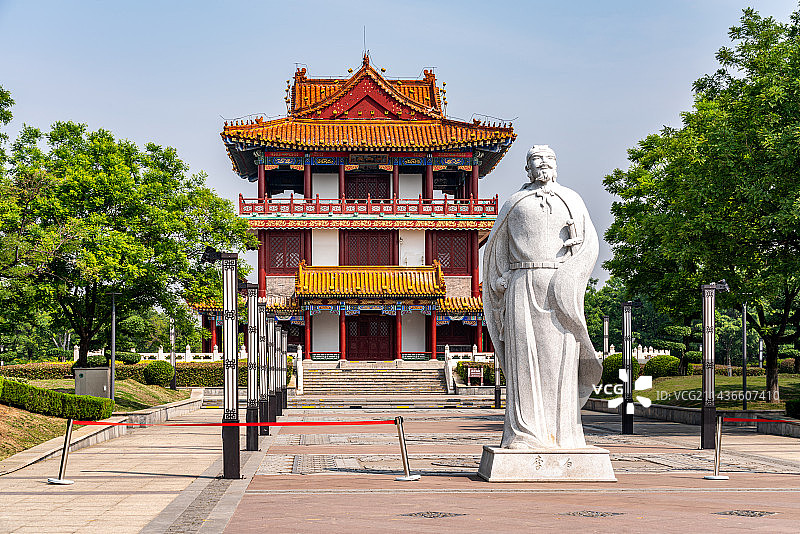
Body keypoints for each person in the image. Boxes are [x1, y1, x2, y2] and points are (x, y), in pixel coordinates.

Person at [483, 145, 602, 449]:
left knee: (561, 359)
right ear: (527, 168)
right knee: (523, 358)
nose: (543, 164)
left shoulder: (571, 200)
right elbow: (496, 248)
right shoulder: (515, 203)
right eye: (537, 160)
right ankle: (523, 432)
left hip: (559, 284)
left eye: (548, 159)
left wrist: (576, 260)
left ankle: (566, 433)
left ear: (556, 164)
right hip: (521, 284)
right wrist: (498, 280)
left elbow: (589, 243)